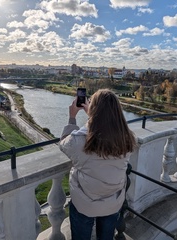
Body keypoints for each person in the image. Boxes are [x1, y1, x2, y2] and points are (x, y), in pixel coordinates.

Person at [59, 88, 136, 240]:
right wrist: (94, 116)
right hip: (113, 201)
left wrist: (72, 117)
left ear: (93, 110)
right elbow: (106, 135)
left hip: (84, 203)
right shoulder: (128, 139)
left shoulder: (80, 140)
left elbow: (64, 144)